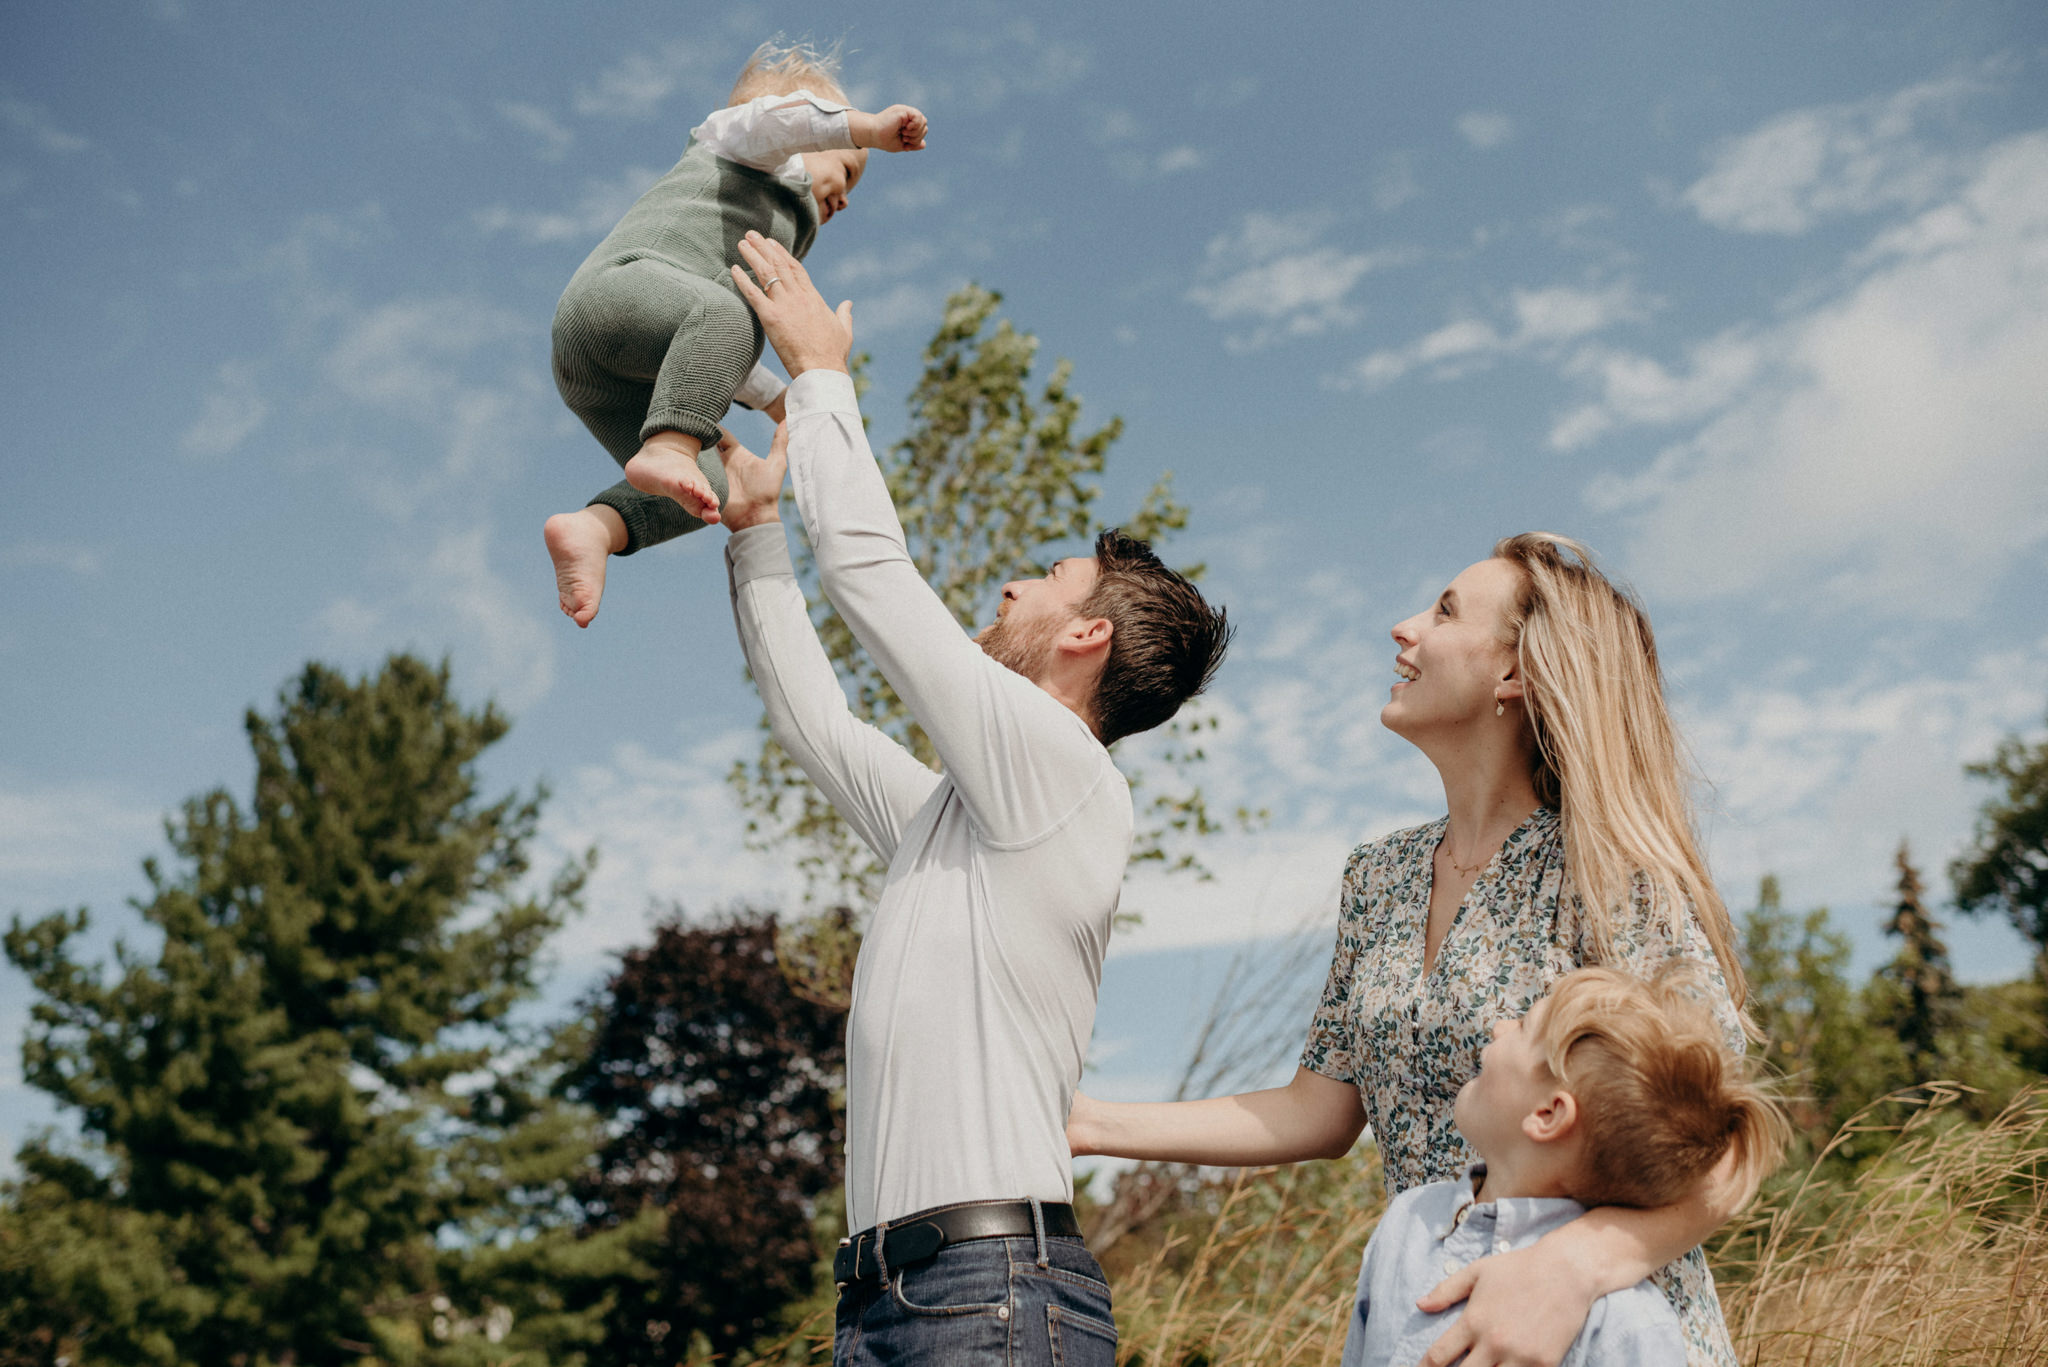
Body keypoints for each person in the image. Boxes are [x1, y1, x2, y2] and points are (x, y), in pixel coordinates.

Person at [712, 229, 1232, 1367]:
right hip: (890, 1302)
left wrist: (818, 373)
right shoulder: (966, 821)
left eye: (1045, 576)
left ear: (1085, 634)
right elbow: (819, 728)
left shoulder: (1062, 772)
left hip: (991, 1297)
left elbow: (872, 578)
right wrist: (754, 538)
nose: (1008, 581)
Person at [1068, 534, 1757, 1367]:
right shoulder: (1380, 878)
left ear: (1514, 673)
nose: (1403, 629)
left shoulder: (1612, 870)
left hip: (1603, 1331)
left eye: (1444, 610)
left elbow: (1723, 1140)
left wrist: (1575, 1267)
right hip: (1427, 1314)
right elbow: (1320, 1110)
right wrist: (1090, 1123)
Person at [542, 41, 928, 628]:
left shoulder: (773, 239)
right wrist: (869, 129)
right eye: (847, 170)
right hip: (614, 296)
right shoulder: (746, 144)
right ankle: (668, 445)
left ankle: (595, 529)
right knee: (732, 313)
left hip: (605, 373)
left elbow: (714, 347)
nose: (846, 198)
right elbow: (783, 120)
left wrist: (781, 401)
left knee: (714, 490)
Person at [1344, 965, 1788, 1367]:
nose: (1498, 1028)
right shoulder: (1407, 1223)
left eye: (1522, 1026)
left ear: (1548, 1115)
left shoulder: (1624, 1326)